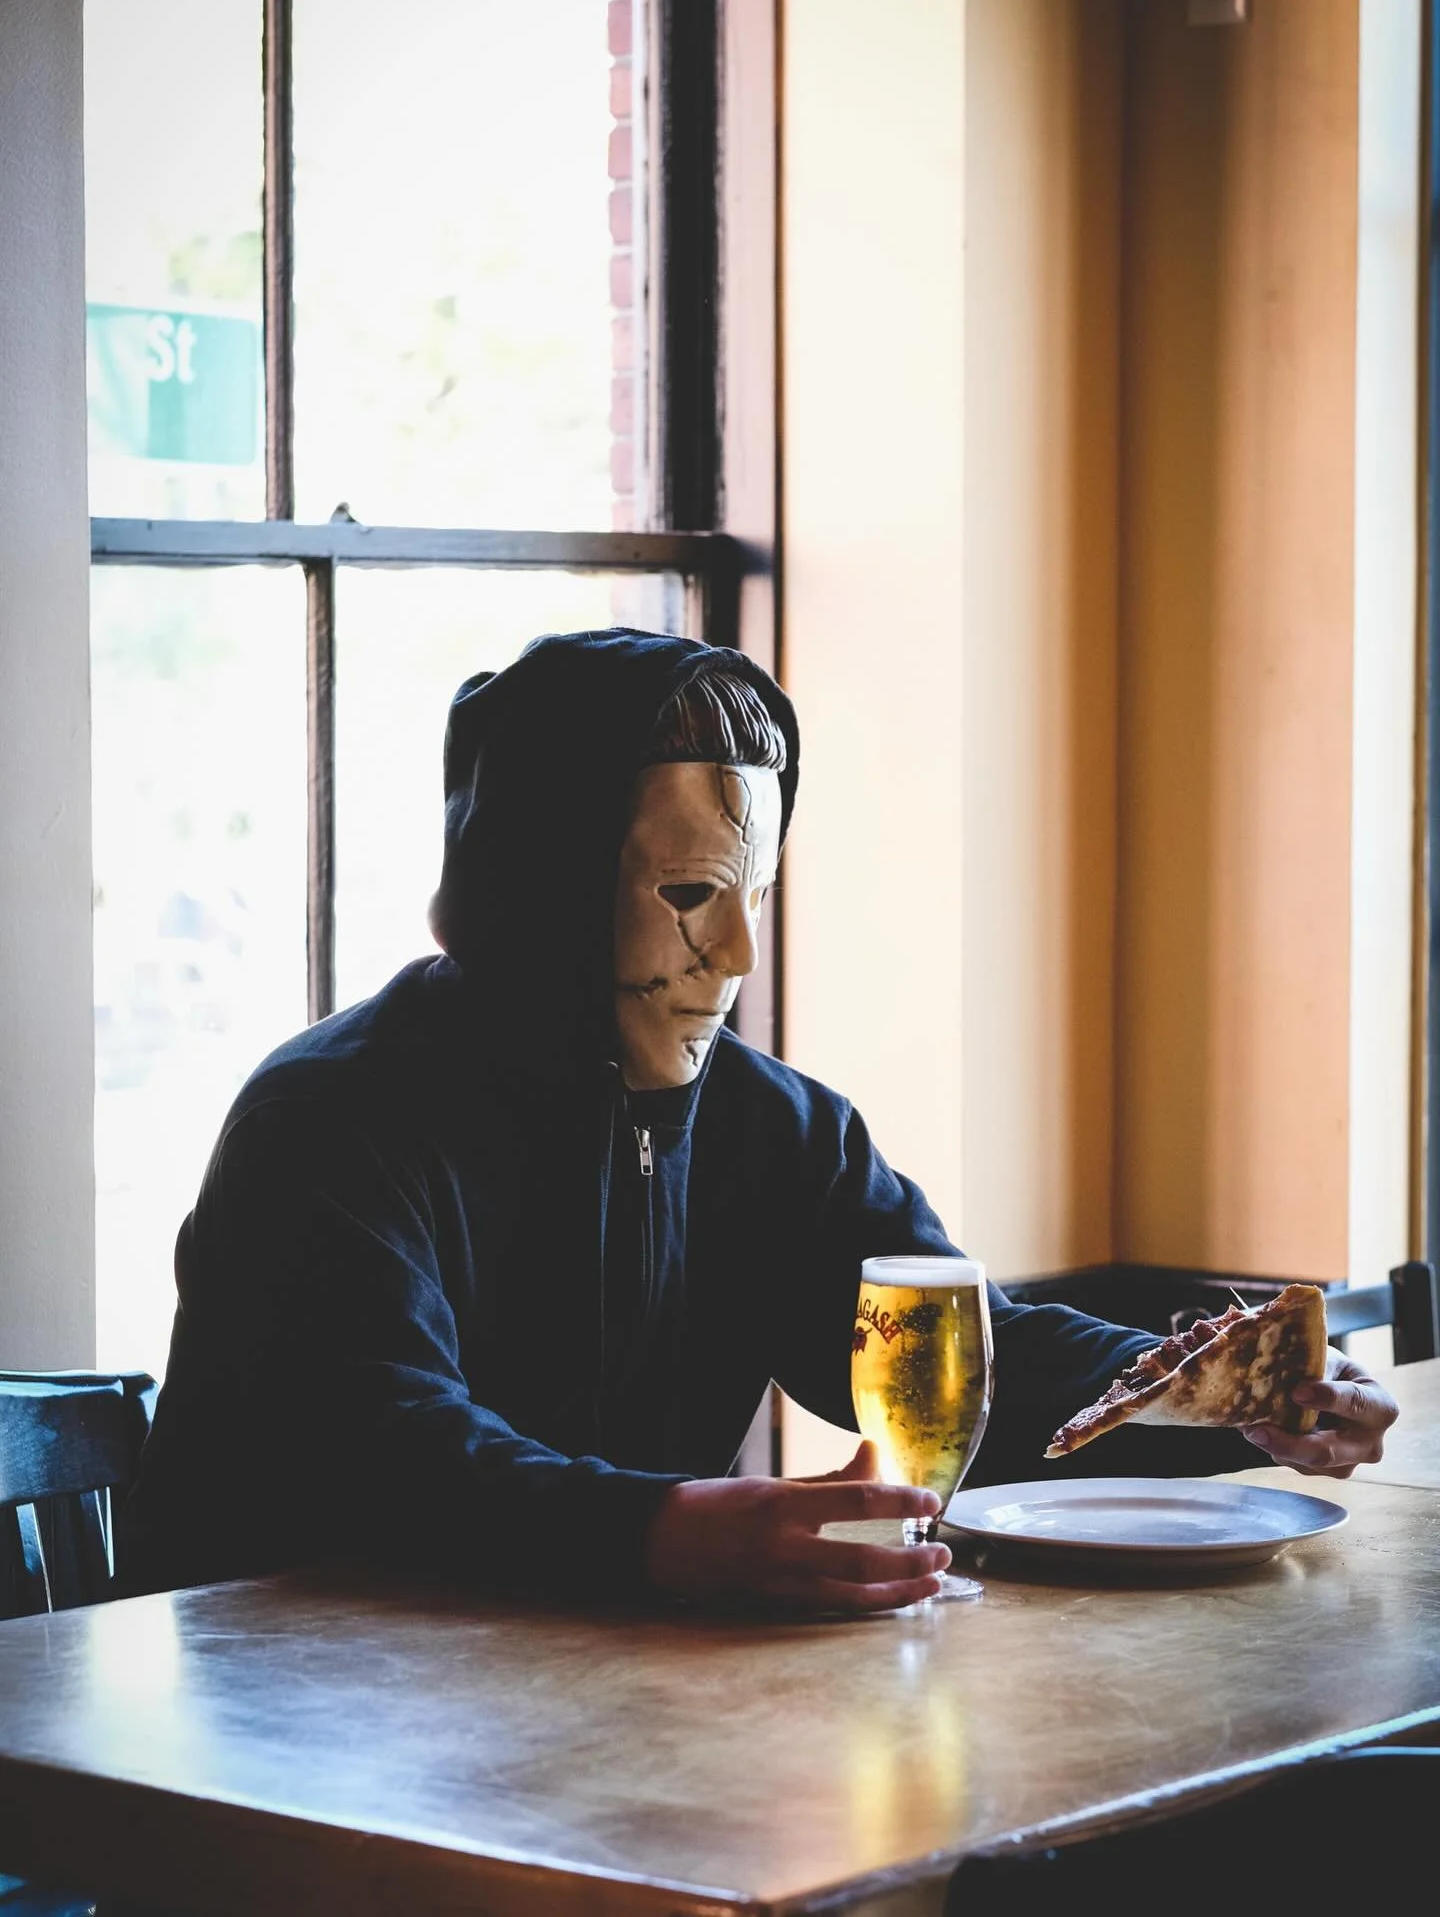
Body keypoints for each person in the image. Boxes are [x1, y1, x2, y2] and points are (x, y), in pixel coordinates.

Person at [115, 630, 1398, 1614]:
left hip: (592, 1713)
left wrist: (1202, 1404)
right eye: (689, 892)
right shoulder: (330, 1124)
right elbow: (384, 1456)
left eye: (760, 894)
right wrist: (674, 1530)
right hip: (297, 1753)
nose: (736, 949)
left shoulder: (773, 1130)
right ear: (538, 890)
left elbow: (956, 1351)